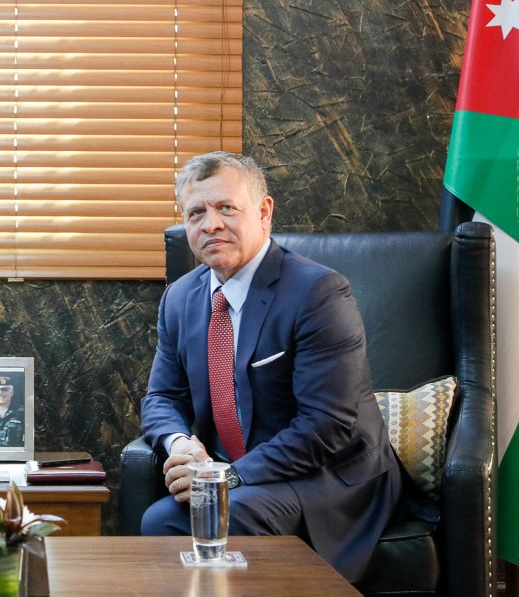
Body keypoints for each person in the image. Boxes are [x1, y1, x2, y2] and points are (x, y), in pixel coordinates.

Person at [139, 151, 402, 583]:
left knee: (234, 515)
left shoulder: (319, 293)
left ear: (264, 212)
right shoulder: (181, 298)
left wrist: (230, 476)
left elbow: (325, 426)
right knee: (158, 521)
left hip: (327, 476)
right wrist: (179, 444)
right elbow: (162, 397)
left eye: (226, 207)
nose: (211, 225)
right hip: (230, 475)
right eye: (196, 213)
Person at [0, 376, 24, 447]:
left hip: (14, 455)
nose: (0, 393)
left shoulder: (22, 412)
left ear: (12, 392)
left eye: (4, 389)